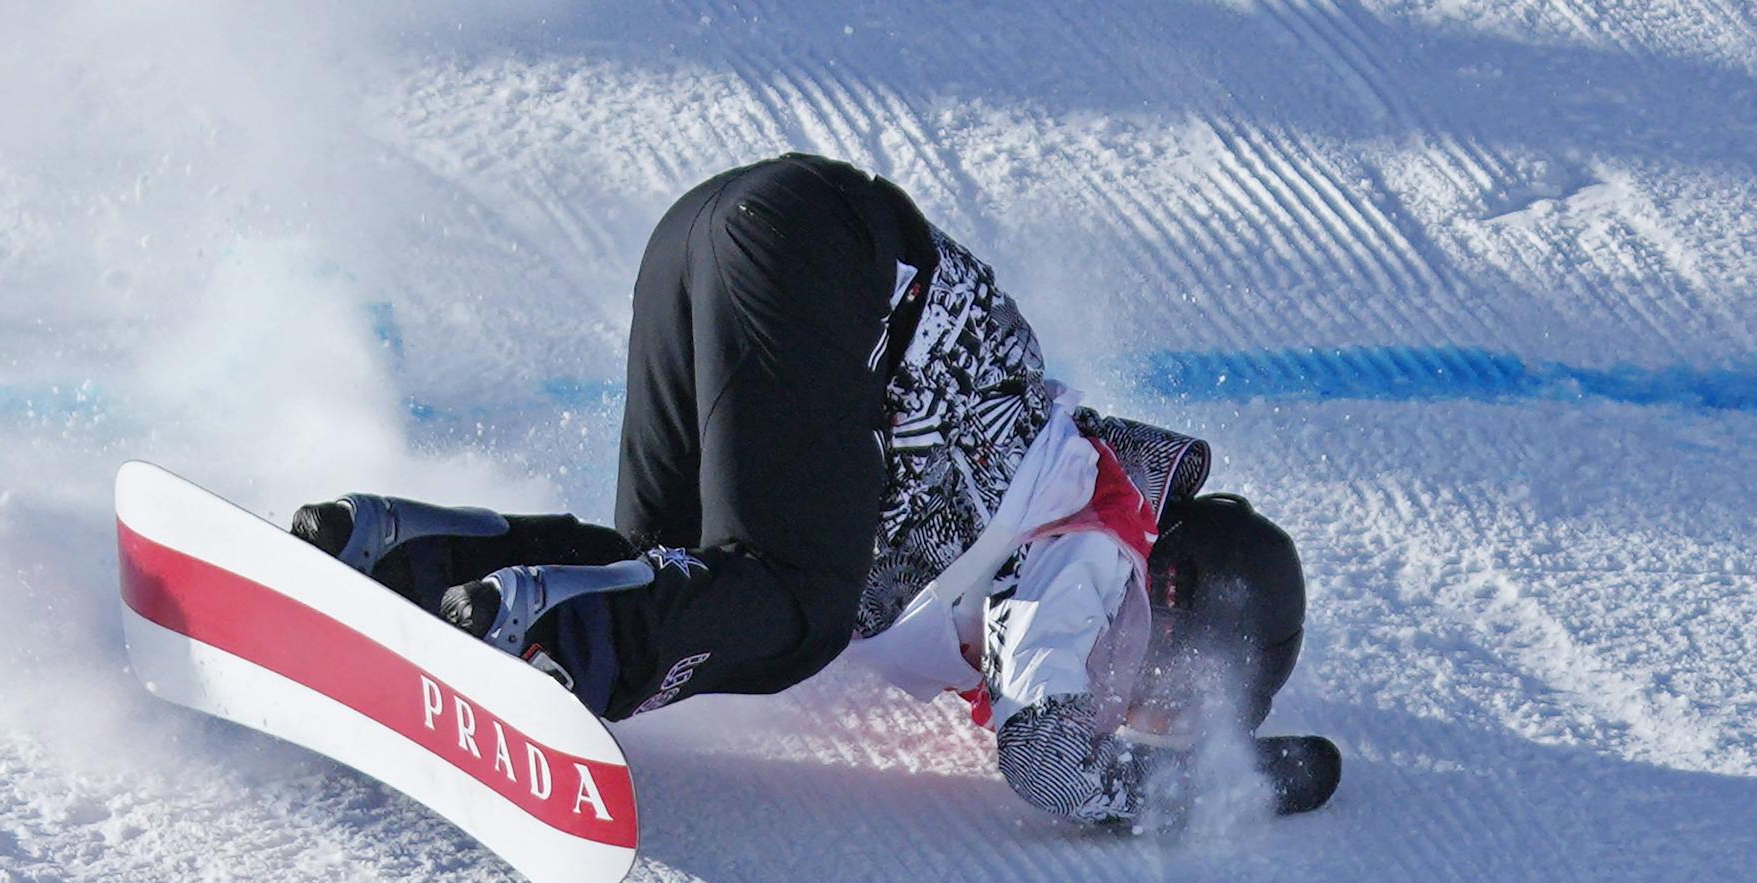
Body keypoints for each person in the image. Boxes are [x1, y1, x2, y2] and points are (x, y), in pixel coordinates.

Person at [293, 154, 1310, 827]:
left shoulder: (1067, 485)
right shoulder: (1098, 543)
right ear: (1175, 602)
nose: (1119, 705)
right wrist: (1221, 788)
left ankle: (391, 550)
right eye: (1156, 698)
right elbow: (1045, 757)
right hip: (823, 258)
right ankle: (537, 638)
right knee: (793, 608)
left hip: (730, 226)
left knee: (673, 570)